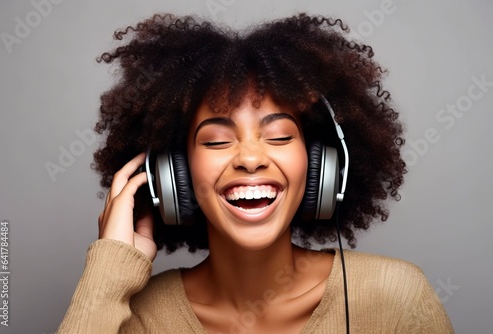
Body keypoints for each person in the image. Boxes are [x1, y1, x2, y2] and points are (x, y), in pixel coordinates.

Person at [57, 13, 454, 333]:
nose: (250, 159)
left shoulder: (395, 298)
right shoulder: (140, 318)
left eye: (279, 136)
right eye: (215, 141)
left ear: (320, 166)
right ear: (172, 174)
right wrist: (108, 270)